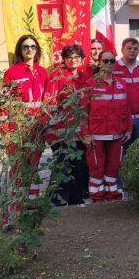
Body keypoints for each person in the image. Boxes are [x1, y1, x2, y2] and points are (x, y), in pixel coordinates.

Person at [2, 34, 48, 202]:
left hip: (37, 128)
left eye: (32, 46)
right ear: (20, 51)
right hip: (18, 128)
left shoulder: (42, 72)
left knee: (34, 165)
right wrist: (6, 131)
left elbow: (47, 100)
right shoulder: (12, 72)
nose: (29, 49)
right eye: (25, 47)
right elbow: (4, 103)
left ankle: (33, 201)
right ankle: (17, 202)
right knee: (18, 166)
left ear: (37, 50)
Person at [82, 49, 132, 202]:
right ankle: (97, 198)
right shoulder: (90, 84)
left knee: (113, 168)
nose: (109, 64)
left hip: (117, 135)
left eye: (112, 61)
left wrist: (129, 130)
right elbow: (83, 112)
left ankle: (113, 197)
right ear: (99, 63)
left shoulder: (121, 84)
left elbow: (127, 109)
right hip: (96, 136)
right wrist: (86, 134)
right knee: (97, 170)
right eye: (105, 61)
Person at [43, 44, 89, 206]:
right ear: (64, 60)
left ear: (82, 59)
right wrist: (53, 129)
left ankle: (76, 198)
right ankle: (57, 199)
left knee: (78, 165)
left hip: (80, 131)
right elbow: (50, 104)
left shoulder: (85, 76)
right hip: (60, 131)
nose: (73, 60)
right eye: (69, 57)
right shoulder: (57, 76)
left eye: (76, 57)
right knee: (62, 165)